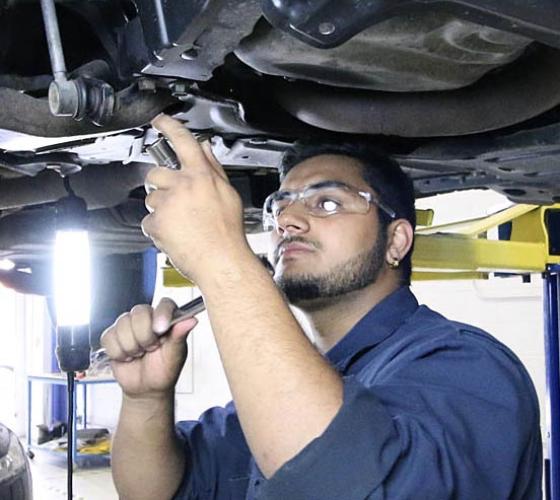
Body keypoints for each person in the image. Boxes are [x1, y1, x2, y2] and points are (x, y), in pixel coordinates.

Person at [101, 114, 542, 499]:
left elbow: (348, 484)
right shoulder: (294, 390)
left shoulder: (469, 365)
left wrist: (221, 259)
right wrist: (145, 399)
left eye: (327, 202)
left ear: (397, 240)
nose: (287, 221)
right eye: (280, 206)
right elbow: (158, 491)